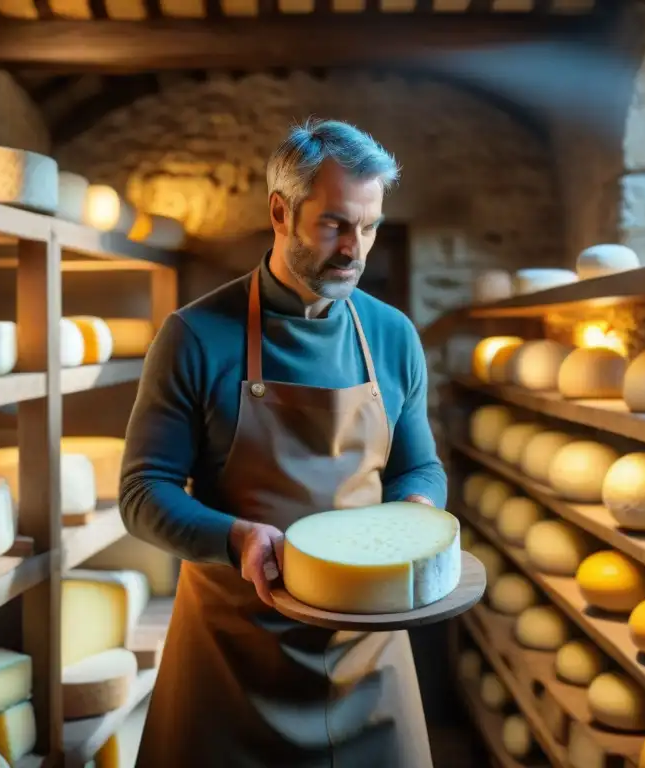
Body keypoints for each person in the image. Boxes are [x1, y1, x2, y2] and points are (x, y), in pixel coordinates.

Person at [120, 117, 447, 767]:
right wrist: (237, 538)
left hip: (367, 652)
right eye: (335, 224)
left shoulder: (392, 336)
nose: (355, 248)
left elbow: (421, 466)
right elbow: (142, 491)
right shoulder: (195, 336)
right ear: (280, 211)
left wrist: (416, 516)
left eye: (370, 226)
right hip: (235, 654)